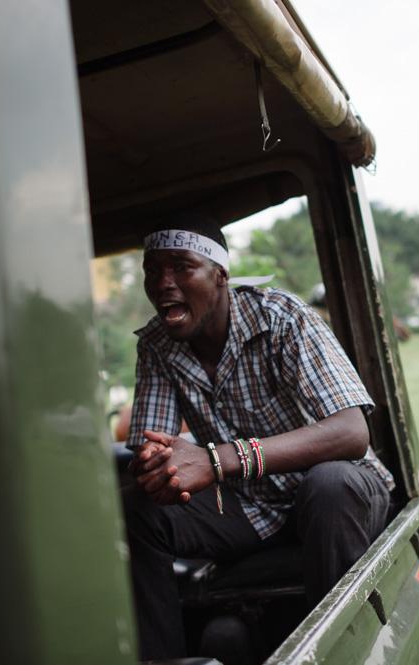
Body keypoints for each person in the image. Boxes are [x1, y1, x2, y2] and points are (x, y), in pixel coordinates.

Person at [123, 216, 394, 660]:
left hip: (338, 493)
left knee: (329, 483)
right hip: (251, 506)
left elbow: (351, 432)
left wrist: (219, 460)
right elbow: (151, 446)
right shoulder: (156, 343)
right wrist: (155, 462)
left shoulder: (282, 317)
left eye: (181, 267)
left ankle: (343, 654)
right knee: (139, 507)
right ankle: (167, 660)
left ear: (220, 274)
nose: (163, 283)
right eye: (153, 270)